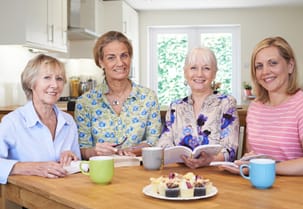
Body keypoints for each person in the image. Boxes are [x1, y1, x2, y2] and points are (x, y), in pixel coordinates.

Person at [222, 36, 303, 176]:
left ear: (290, 66)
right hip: (261, 186)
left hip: (297, 191)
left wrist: (264, 169)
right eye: (259, 66)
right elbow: (252, 155)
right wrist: (243, 164)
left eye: (273, 63)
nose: (265, 72)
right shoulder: (255, 107)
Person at [74, 31, 162, 160]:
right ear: (101, 62)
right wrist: (95, 151)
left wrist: (133, 150)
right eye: (111, 57)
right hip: (100, 172)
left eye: (124, 56)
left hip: (138, 170)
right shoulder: (85, 102)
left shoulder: (148, 97)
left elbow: (154, 141)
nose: (120, 63)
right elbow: (82, 149)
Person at [0, 54, 81, 184]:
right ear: (31, 83)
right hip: (26, 199)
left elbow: (78, 164)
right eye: (47, 78)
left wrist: (72, 159)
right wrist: (30, 168)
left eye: (59, 79)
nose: (54, 85)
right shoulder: (12, 122)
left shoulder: (68, 121)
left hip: (65, 193)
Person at [157, 47, 240, 169]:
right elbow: (163, 143)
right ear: (185, 72)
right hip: (180, 174)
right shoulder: (176, 106)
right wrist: (178, 157)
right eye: (193, 68)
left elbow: (231, 149)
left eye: (206, 68)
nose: (199, 74)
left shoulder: (226, 102)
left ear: (214, 73)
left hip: (216, 174)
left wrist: (210, 160)